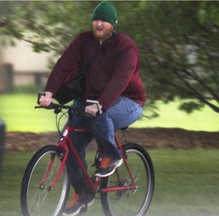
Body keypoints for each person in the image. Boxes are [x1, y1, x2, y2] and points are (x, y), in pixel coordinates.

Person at [39, 1, 146, 215]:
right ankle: (83, 193)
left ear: (113, 24)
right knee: (68, 144)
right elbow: (63, 64)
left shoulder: (126, 47)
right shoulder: (83, 41)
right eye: (96, 19)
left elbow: (120, 80)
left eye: (104, 21)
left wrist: (102, 104)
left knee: (100, 116)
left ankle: (112, 154)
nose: (98, 24)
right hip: (90, 102)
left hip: (128, 101)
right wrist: (49, 92)